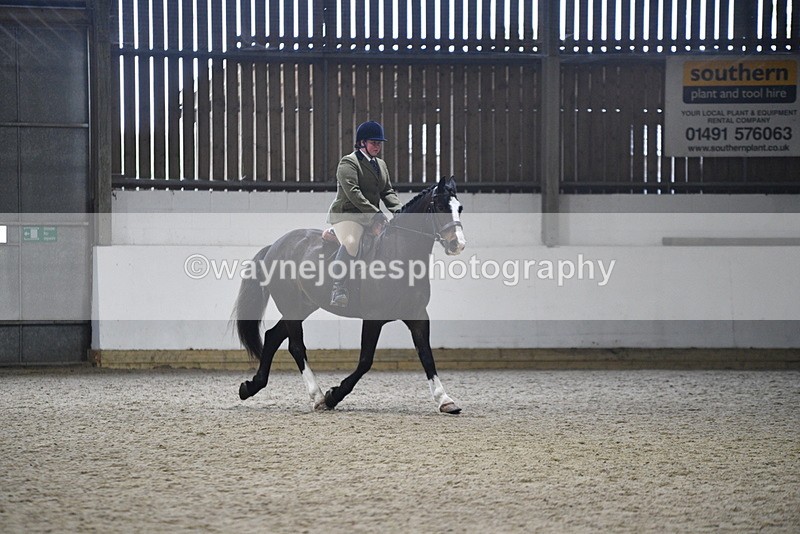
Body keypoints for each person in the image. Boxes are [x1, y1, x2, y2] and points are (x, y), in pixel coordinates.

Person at [326, 120, 402, 307]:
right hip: (348, 215)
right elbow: (353, 194)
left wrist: (400, 211)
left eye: (379, 143)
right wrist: (376, 213)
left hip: (371, 216)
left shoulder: (381, 165)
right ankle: (338, 288)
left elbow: (387, 192)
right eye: (373, 142)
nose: (377, 146)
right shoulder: (349, 163)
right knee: (351, 242)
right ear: (362, 143)